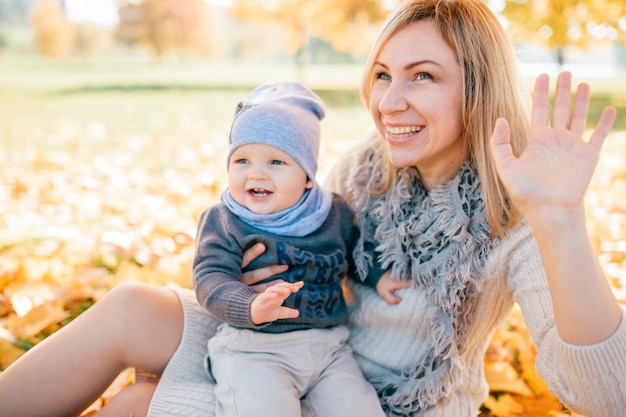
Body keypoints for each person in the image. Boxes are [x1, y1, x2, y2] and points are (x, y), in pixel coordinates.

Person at [0, 1, 624, 416]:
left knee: (142, 405)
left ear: (478, 89)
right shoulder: (367, 166)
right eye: (383, 75)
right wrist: (249, 274)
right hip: (294, 338)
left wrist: (560, 221)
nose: (390, 102)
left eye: (423, 77)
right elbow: (307, 241)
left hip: (376, 400)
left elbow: (609, 395)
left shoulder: (518, 212)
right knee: (133, 307)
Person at [192, 80, 386, 417]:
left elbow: (357, 251)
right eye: (242, 160)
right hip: (255, 350)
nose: (256, 173)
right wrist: (250, 305)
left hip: (329, 350)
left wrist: (380, 277)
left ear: (308, 175)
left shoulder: (332, 213)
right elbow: (210, 277)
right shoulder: (225, 220)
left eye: (276, 162)